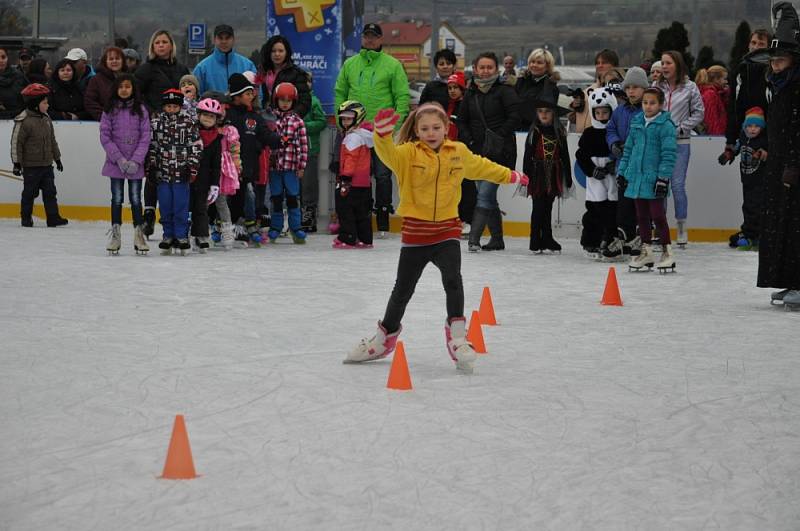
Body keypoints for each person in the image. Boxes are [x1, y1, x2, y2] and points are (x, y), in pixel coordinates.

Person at [344, 104, 527, 372]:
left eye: (436, 128)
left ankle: (457, 336)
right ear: (416, 131)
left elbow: (482, 167)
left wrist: (512, 175)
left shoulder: (458, 153)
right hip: (416, 235)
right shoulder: (407, 154)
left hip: (446, 232)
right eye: (425, 128)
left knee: (453, 282)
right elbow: (388, 155)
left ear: (446, 128)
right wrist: (382, 137)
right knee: (402, 291)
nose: (431, 133)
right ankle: (384, 339)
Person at [334, 23, 410, 236]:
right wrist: (343, 122)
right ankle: (357, 216)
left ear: (381, 39)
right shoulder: (350, 64)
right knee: (355, 174)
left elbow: (402, 97)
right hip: (355, 130)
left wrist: (394, 125)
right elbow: (340, 92)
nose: (369, 40)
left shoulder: (392, 65)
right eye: (366, 36)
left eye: (374, 36)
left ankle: (383, 216)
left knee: (383, 175)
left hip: (381, 131)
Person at [757, 2, 800, 308]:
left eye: (780, 60)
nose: (775, 65)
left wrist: (793, 165)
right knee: (781, 226)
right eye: (772, 60)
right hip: (779, 164)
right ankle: (786, 280)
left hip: (793, 167)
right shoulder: (777, 85)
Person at [458, 51, 521, 252]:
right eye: (482, 67)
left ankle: (473, 240)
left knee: (484, 195)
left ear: (497, 69)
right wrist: (469, 139)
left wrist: (498, 136)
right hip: (477, 152)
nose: (485, 71)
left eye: (490, 67)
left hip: (500, 152)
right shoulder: (471, 93)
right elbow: (462, 120)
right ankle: (497, 239)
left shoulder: (505, 91)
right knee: (487, 196)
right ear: (475, 69)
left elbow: (515, 117)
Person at [617, 87, 678, 272]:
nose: (648, 106)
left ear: (660, 105)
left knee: (658, 216)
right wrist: (622, 172)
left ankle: (667, 252)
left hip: (654, 179)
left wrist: (663, 178)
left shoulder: (665, 125)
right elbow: (628, 150)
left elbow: (668, 154)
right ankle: (646, 251)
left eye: (652, 103)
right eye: (645, 102)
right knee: (641, 216)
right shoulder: (636, 123)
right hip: (636, 177)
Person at [722, 28, 771, 247]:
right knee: (750, 186)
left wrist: (771, 143)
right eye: (753, 43)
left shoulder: (774, 71)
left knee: (769, 188)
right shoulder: (741, 71)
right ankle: (751, 230)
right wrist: (731, 143)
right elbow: (734, 108)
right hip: (747, 136)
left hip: (770, 137)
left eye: (761, 44)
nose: (755, 47)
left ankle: (767, 232)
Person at [654, 51, 704, 246]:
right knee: (660, 186)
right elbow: (648, 109)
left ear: (677, 65)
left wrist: (682, 127)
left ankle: (681, 226)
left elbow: (699, 112)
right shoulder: (656, 87)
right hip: (658, 144)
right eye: (662, 63)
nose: (664, 67)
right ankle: (661, 229)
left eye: (668, 63)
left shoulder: (690, 87)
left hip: (680, 143)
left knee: (677, 185)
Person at [224, 73, 282, 242]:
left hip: (247, 164)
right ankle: (228, 224)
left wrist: (279, 140)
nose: (252, 96)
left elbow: (264, 134)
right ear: (237, 96)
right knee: (230, 196)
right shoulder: (227, 114)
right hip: (229, 166)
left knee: (248, 194)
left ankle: (247, 223)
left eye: (252, 93)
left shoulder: (254, 117)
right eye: (248, 93)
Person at [99, 74, 151, 255]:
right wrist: (119, 159)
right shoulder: (109, 110)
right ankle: (115, 234)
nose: (124, 90)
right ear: (115, 89)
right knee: (117, 198)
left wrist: (136, 160)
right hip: (116, 164)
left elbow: (145, 137)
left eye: (127, 86)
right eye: (120, 86)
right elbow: (105, 137)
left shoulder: (141, 110)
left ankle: (139, 234)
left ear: (133, 89)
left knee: (136, 199)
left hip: (135, 165)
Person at [146, 89, 201, 255]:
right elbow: (153, 146)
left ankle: (181, 235)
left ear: (180, 106)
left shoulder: (189, 122)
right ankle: (168, 235)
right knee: (165, 204)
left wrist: (191, 167)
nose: (171, 109)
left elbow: (196, 146)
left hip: (181, 172)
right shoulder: (157, 123)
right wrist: (152, 165)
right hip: (163, 172)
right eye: (168, 106)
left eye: (174, 106)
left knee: (180, 205)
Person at [604, 66, 648, 260]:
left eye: (636, 87)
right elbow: (611, 129)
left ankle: (641, 237)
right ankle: (624, 237)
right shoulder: (619, 111)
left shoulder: (649, 110)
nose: (631, 91)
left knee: (641, 203)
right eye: (628, 87)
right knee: (624, 204)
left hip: (643, 167)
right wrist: (614, 144)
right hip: (624, 166)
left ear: (644, 88)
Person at [11, 84, 68, 228]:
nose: (48, 105)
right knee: (30, 193)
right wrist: (17, 164)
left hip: (47, 165)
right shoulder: (23, 121)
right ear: (36, 105)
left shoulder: (46, 119)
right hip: (31, 167)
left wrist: (57, 158)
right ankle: (26, 217)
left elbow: (52, 140)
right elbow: (16, 144)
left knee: (50, 193)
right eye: (45, 102)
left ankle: (53, 218)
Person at [522, 94, 572, 253]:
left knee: (548, 207)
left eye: (547, 111)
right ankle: (535, 240)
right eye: (540, 111)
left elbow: (565, 155)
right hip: (537, 173)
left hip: (554, 173)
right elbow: (527, 154)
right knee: (538, 207)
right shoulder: (534, 131)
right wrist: (526, 174)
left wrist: (568, 175)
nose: (543, 114)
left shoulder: (559, 132)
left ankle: (547, 238)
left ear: (553, 114)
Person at [576, 87, 618, 258]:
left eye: (605, 112)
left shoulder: (615, 132)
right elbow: (581, 155)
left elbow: (624, 151)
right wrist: (592, 171)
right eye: (598, 112)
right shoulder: (589, 133)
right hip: (595, 178)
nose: (601, 116)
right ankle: (591, 241)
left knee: (613, 209)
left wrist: (615, 165)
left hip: (613, 176)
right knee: (595, 209)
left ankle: (611, 240)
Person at [720, 107, 768, 251]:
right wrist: (728, 154)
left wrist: (759, 154)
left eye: (756, 126)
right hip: (747, 180)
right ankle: (749, 233)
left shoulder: (764, 140)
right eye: (749, 126)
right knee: (747, 206)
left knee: (757, 207)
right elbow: (736, 148)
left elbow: (766, 152)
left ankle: (757, 236)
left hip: (760, 181)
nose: (752, 129)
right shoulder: (742, 137)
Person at [267, 82, 309, 243]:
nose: (285, 103)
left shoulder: (297, 121)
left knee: (292, 197)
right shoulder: (270, 119)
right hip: (274, 167)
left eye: (289, 100)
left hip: (291, 167)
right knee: (276, 198)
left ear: (294, 102)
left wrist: (302, 166)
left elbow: (303, 145)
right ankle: (276, 227)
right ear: (276, 100)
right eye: (282, 100)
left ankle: (296, 227)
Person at [333, 100, 373, 248]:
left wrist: (345, 176)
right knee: (362, 212)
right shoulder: (364, 135)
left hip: (351, 181)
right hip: (364, 182)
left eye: (349, 118)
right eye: (343, 118)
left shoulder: (352, 137)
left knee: (346, 211)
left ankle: (347, 238)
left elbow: (351, 158)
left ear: (358, 117)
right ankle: (365, 239)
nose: (345, 121)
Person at [190, 98, 225, 253]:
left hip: (204, 180)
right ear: (198, 115)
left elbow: (216, 164)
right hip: (188, 177)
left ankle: (202, 235)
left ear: (216, 119)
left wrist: (215, 184)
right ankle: (186, 235)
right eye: (205, 115)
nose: (207, 119)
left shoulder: (217, 139)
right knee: (186, 208)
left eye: (211, 116)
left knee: (201, 209)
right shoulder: (191, 132)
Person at [445, 72, 473, 237]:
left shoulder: (467, 104)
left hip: (463, 150)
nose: (452, 91)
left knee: (467, 187)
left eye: (456, 87)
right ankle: (455, 219)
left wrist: (468, 142)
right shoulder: (450, 106)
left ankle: (467, 220)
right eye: (450, 88)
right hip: (450, 150)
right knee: (453, 187)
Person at [135, 30, 190, 113]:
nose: (161, 45)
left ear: (171, 46)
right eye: (157, 43)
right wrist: (150, 111)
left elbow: (189, 92)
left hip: (180, 118)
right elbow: (136, 95)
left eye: (164, 42)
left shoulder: (182, 69)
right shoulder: (145, 70)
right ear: (153, 47)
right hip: (155, 119)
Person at [193, 24, 256, 95]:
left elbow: (257, 94)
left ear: (233, 39)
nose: (224, 42)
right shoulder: (202, 68)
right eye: (220, 38)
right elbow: (196, 96)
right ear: (214, 40)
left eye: (227, 38)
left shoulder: (248, 65)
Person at [257, 35, 310, 116]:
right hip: (270, 118)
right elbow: (264, 98)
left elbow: (305, 101)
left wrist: (292, 116)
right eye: (273, 51)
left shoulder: (296, 73)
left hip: (290, 121)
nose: (277, 54)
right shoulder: (265, 71)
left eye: (281, 51)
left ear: (287, 53)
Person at [301, 72, 327, 233]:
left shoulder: (313, 101)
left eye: (307, 82)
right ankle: (297, 215)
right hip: (294, 150)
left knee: (308, 183)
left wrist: (304, 126)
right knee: (295, 186)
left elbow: (321, 122)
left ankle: (309, 215)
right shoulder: (292, 101)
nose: (304, 85)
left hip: (310, 149)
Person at [571, 49, 619, 133]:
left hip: (607, 140)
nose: (599, 65)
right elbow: (572, 118)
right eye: (597, 63)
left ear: (614, 65)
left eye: (604, 62)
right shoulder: (588, 91)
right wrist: (575, 107)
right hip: (583, 139)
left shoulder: (620, 90)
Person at [515, 48, 560, 131]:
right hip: (517, 129)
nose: (534, 65)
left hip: (537, 131)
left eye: (539, 63)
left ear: (547, 66)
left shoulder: (552, 88)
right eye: (532, 62)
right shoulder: (520, 82)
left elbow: (546, 112)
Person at [84, 46, 127, 120]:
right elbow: (90, 102)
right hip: (104, 123)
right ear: (105, 62)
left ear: (122, 61)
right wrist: (104, 116)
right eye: (111, 59)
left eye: (117, 58)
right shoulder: (96, 80)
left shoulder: (130, 79)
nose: (114, 61)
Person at [696, 65, 729, 135]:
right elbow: (711, 121)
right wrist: (717, 140)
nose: (726, 82)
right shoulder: (710, 94)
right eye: (725, 79)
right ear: (716, 79)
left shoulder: (716, 93)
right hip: (714, 138)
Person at [0, 47, 27, 119]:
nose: (1, 60)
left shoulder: (19, 76)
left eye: (3, 57)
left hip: (16, 119)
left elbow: (27, 100)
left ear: (7, 58)